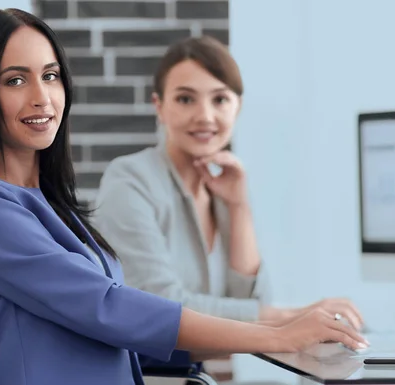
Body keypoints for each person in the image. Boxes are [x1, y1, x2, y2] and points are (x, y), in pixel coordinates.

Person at [0, 8, 368, 385]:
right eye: (15, 80)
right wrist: (277, 334)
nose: (42, 97)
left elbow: (113, 325)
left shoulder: (48, 204)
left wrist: (283, 336)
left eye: (50, 76)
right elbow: (108, 307)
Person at [93, 36, 365, 329]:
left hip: (198, 374)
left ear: (238, 107)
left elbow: (252, 301)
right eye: (185, 99)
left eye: (220, 99)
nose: (205, 116)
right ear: (159, 106)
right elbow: (159, 305)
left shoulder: (221, 187)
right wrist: (293, 316)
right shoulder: (129, 179)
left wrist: (238, 206)